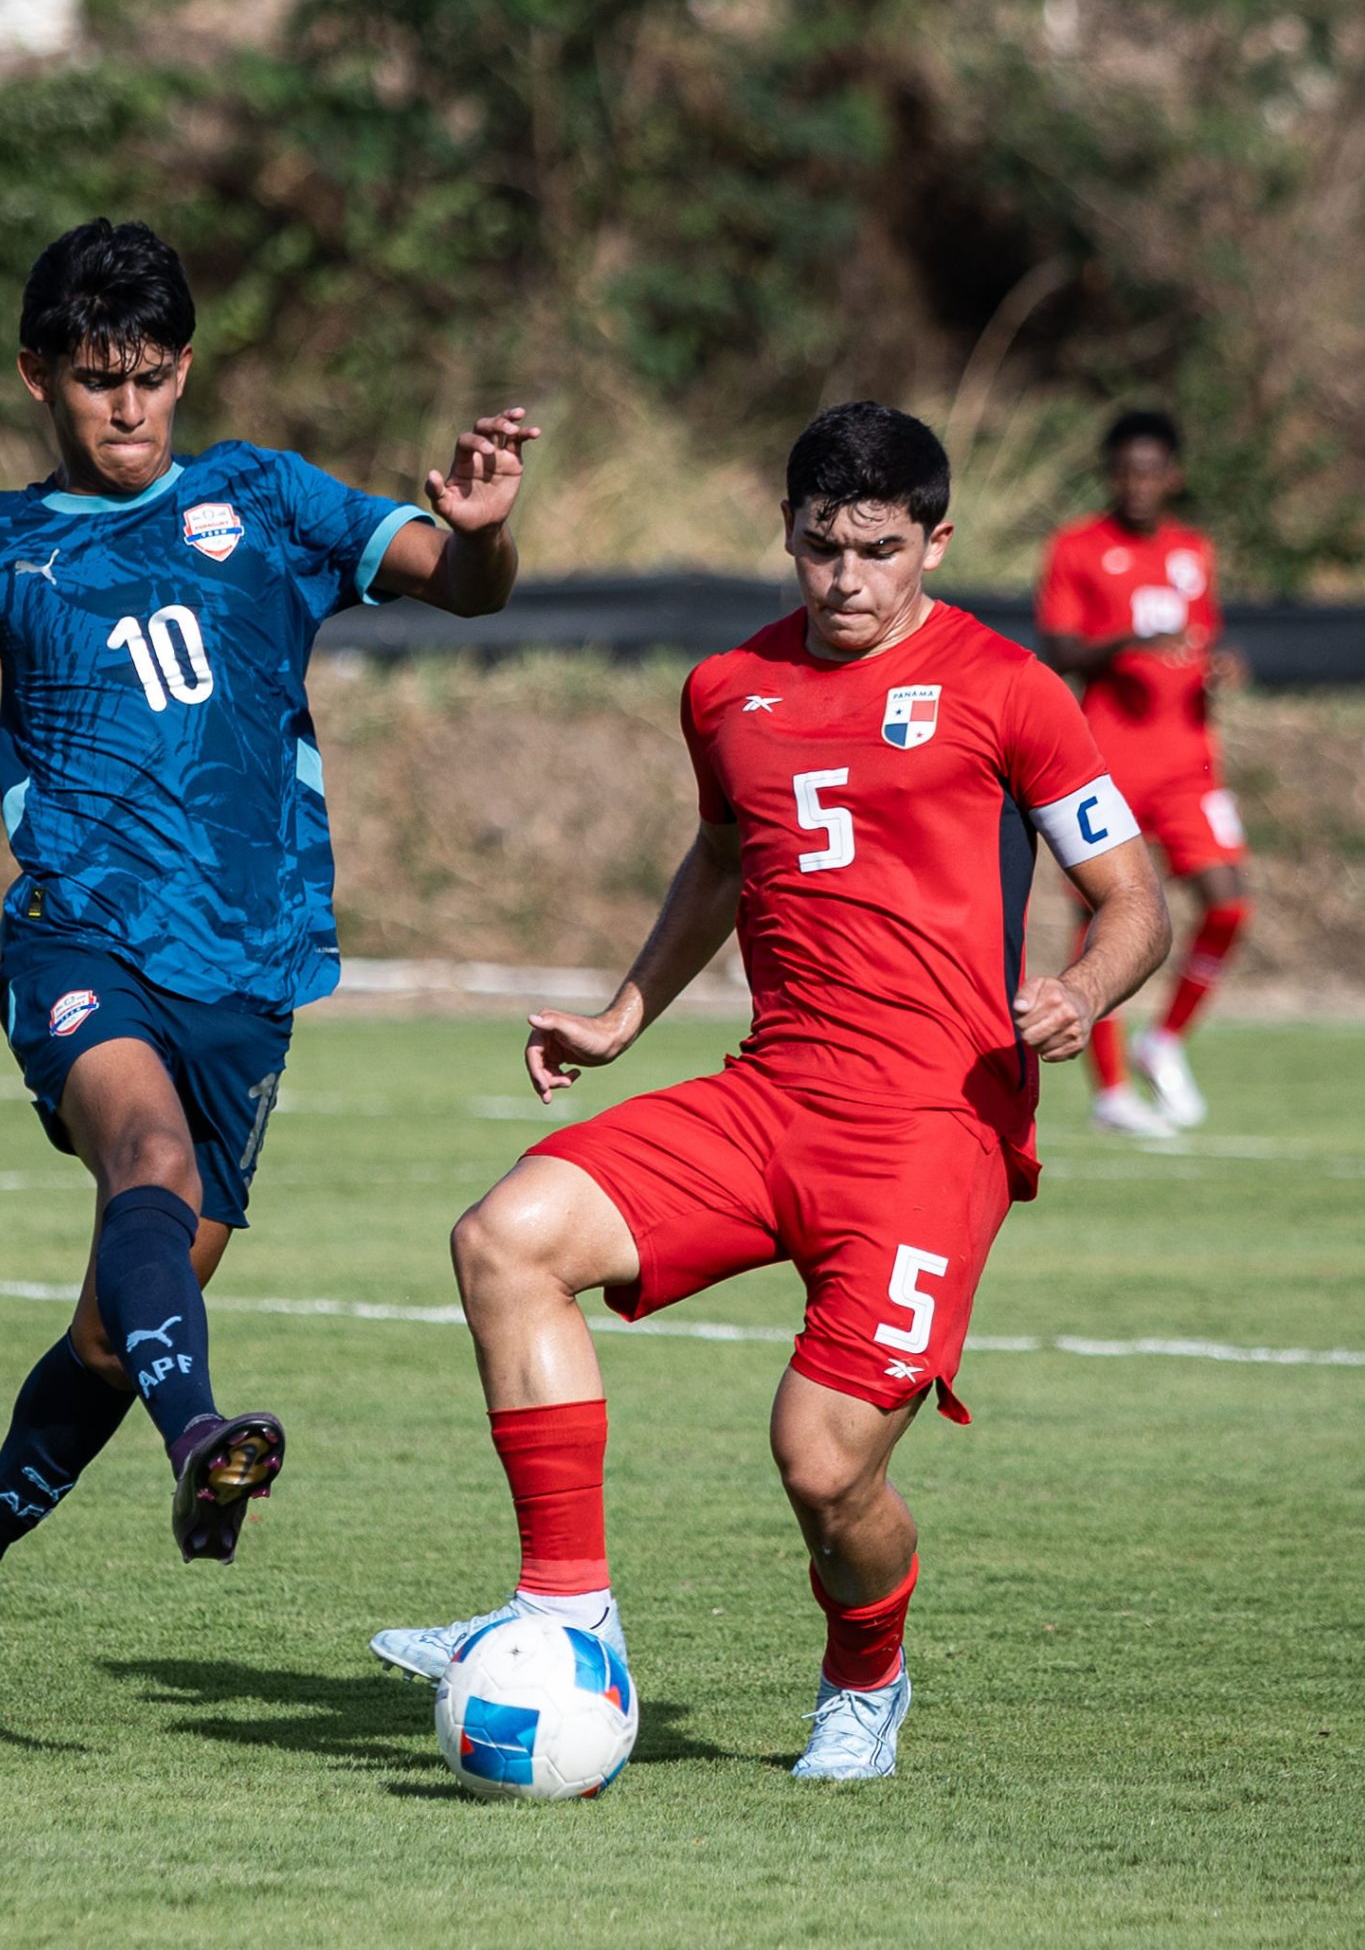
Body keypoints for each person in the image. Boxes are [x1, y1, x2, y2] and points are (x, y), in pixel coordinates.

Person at [0, 216, 537, 1709]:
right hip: (80, 939)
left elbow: (465, 589)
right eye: (94, 380)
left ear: (185, 368)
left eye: (148, 376)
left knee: (107, 1331)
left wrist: (478, 529)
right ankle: (204, 1436)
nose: (127, 407)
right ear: (37, 379)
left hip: (249, 974)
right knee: (142, 1161)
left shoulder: (264, 496)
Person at [369, 401, 1170, 1781]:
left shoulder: (1012, 689)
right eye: (821, 547)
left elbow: (1132, 901)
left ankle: (867, 1678)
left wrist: (1083, 994)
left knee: (822, 1464)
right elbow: (725, 858)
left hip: (934, 1128)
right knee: (506, 1238)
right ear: (786, 532)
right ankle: (567, 1614)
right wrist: (627, 1013)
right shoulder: (727, 689)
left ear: (937, 541)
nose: (847, 580)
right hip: (770, 1096)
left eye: (878, 549)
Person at [1037, 411, 1250, 1135]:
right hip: (1110, 761)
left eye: (1151, 471)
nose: (1138, 484)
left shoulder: (1195, 551)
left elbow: (1201, 645)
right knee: (1102, 916)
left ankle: (1164, 1040)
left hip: (1189, 761)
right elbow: (1058, 650)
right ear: (1109, 473)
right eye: (1125, 470)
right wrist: (1127, 642)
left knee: (1229, 904)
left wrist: (1218, 670)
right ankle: (1112, 1091)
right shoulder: (1077, 548)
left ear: (1174, 477)